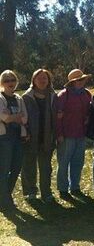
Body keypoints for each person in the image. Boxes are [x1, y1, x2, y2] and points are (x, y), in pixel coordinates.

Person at [21, 69, 57, 203]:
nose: (42, 81)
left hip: (47, 137)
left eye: (45, 78)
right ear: (33, 80)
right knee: (29, 165)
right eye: (39, 78)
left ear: (48, 81)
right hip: (31, 138)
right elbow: (23, 117)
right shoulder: (26, 97)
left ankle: (46, 192)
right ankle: (30, 192)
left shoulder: (53, 96)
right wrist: (25, 133)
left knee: (46, 167)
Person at [56, 69, 91, 199]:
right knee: (63, 163)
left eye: (83, 79)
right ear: (72, 82)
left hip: (81, 134)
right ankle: (63, 188)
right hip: (66, 135)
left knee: (78, 162)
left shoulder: (87, 94)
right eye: (78, 80)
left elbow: (89, 112)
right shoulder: (63, 95)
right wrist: (59, 134)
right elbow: (57, 117)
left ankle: (75, 187)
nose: (81, 82)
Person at [0, 70, 28, 211]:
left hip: (18, 138)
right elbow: (4, 117)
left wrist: (12, 116)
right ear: (2, 83)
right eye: (6, 80)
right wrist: (15, 116)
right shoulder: (0, 98)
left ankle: (5, 196)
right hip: (4, 138)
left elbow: (24, 118)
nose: (10, 83)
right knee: (4, 170)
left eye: (12, 80)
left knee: (16, 168)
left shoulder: (19, 98)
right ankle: (5, 201)